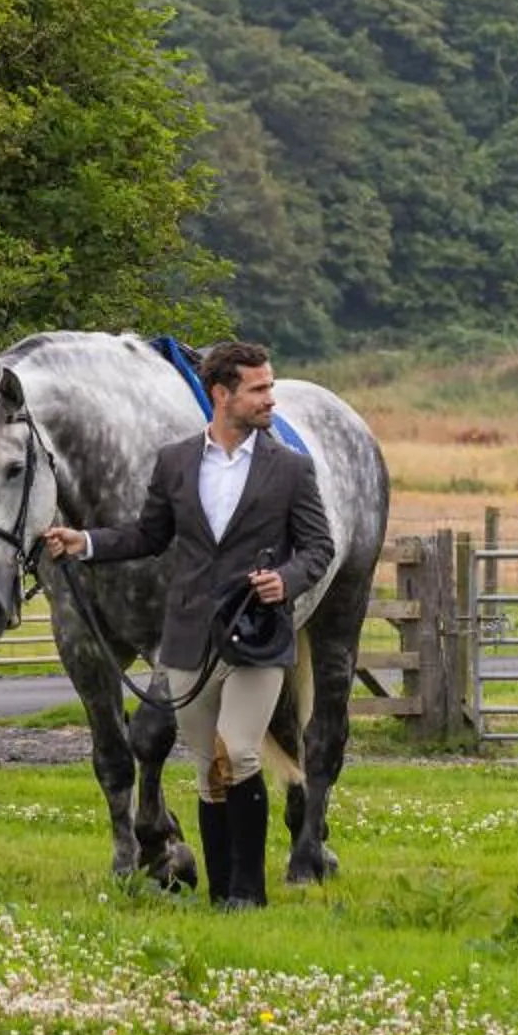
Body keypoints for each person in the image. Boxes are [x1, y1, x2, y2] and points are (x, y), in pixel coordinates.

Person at [42, 340, 333, 908]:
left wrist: (289, 580)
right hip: (188, 638)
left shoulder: (290, 468)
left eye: (270, 387)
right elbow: (148, 536)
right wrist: (86, 542)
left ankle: (248, 893)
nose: (271, 398)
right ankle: (222, 891)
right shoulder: (176, 461)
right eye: (259, 389)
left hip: (257, 634)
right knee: (208, 771)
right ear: (222, 395)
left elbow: (319, 546)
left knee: (241, 752)